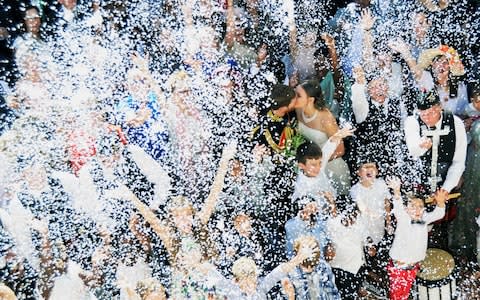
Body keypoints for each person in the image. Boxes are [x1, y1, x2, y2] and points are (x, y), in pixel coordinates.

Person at [386, 177, 446, 300]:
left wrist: (440, 203)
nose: (417, 209)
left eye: (420, 206)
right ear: (406, 209)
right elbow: (397, 207)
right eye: (412, 206)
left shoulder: (424, 219)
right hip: (398, 268)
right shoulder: (403, 219)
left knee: (405, 292)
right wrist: (397, 190)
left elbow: (439, 214)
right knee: (397, 295)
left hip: (413, 267)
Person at [295, 80, 352, 195]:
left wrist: (318, 163)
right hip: (310, 167)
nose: (294, 97)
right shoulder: (298, 109)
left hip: (332, 167)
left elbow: (340, 149)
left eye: (299, 95)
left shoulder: (325, 117)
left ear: (310, 100)